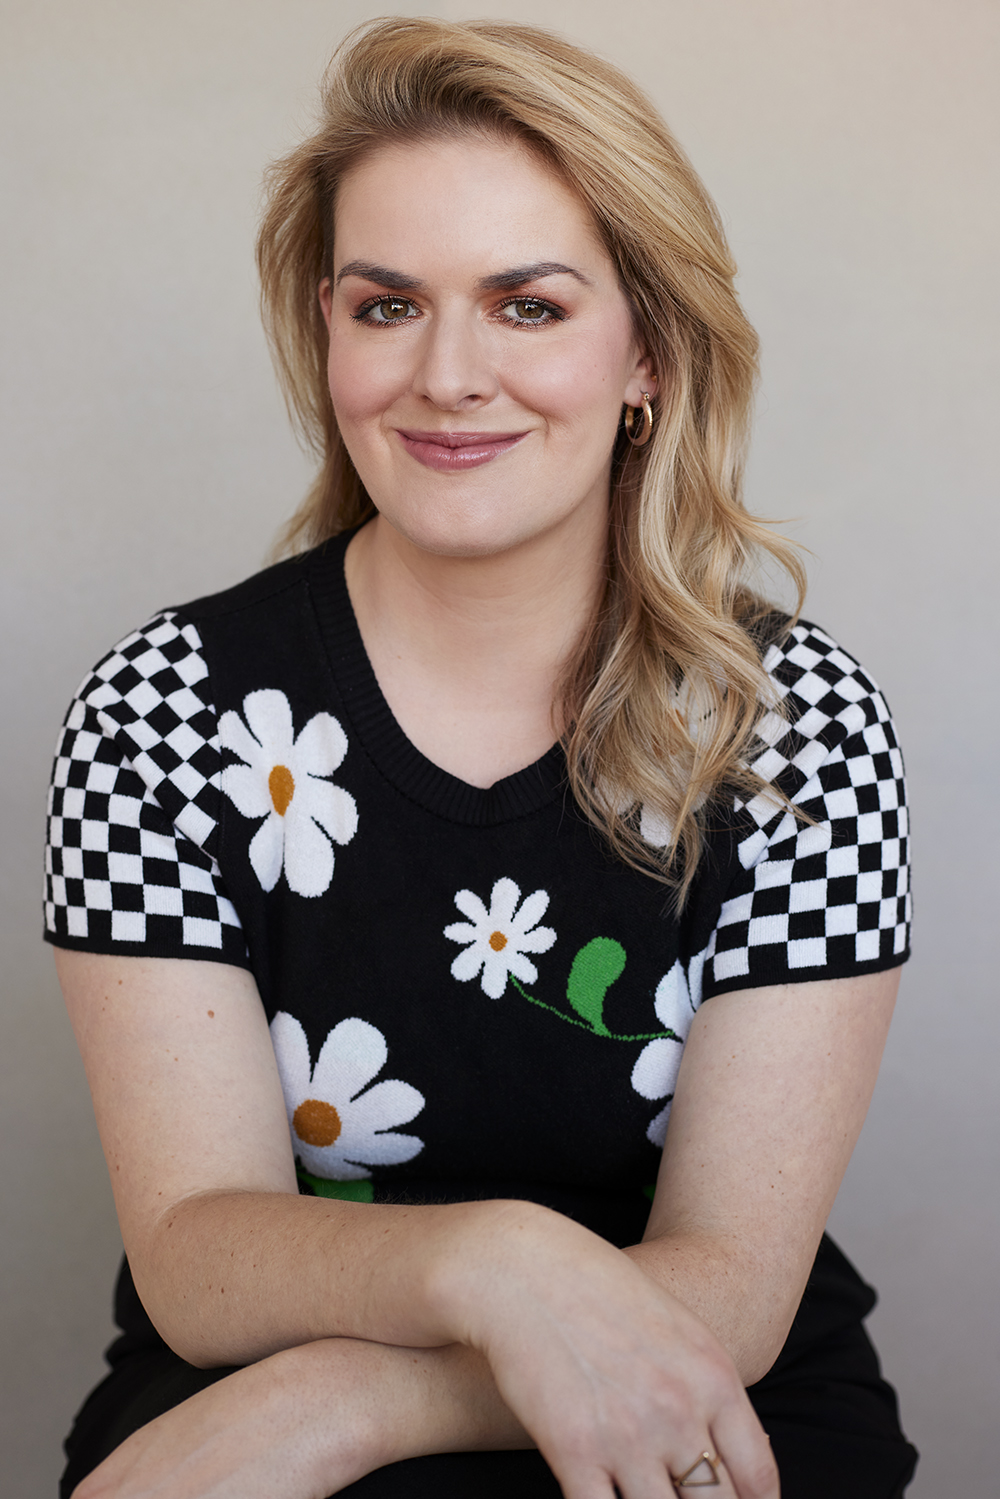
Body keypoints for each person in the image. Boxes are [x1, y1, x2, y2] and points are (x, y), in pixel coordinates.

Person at [45, 17, 918, 1499]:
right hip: (246, 1372)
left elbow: (732, 1288)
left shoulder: (797, 728)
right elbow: (196, 1252)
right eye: (387, 306)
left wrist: (350, 1406)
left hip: (695, 1379)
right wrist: (493, 1262)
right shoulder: (161, 711)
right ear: (326, 333)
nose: (448, 375)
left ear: (647, 353)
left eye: (528, 306)